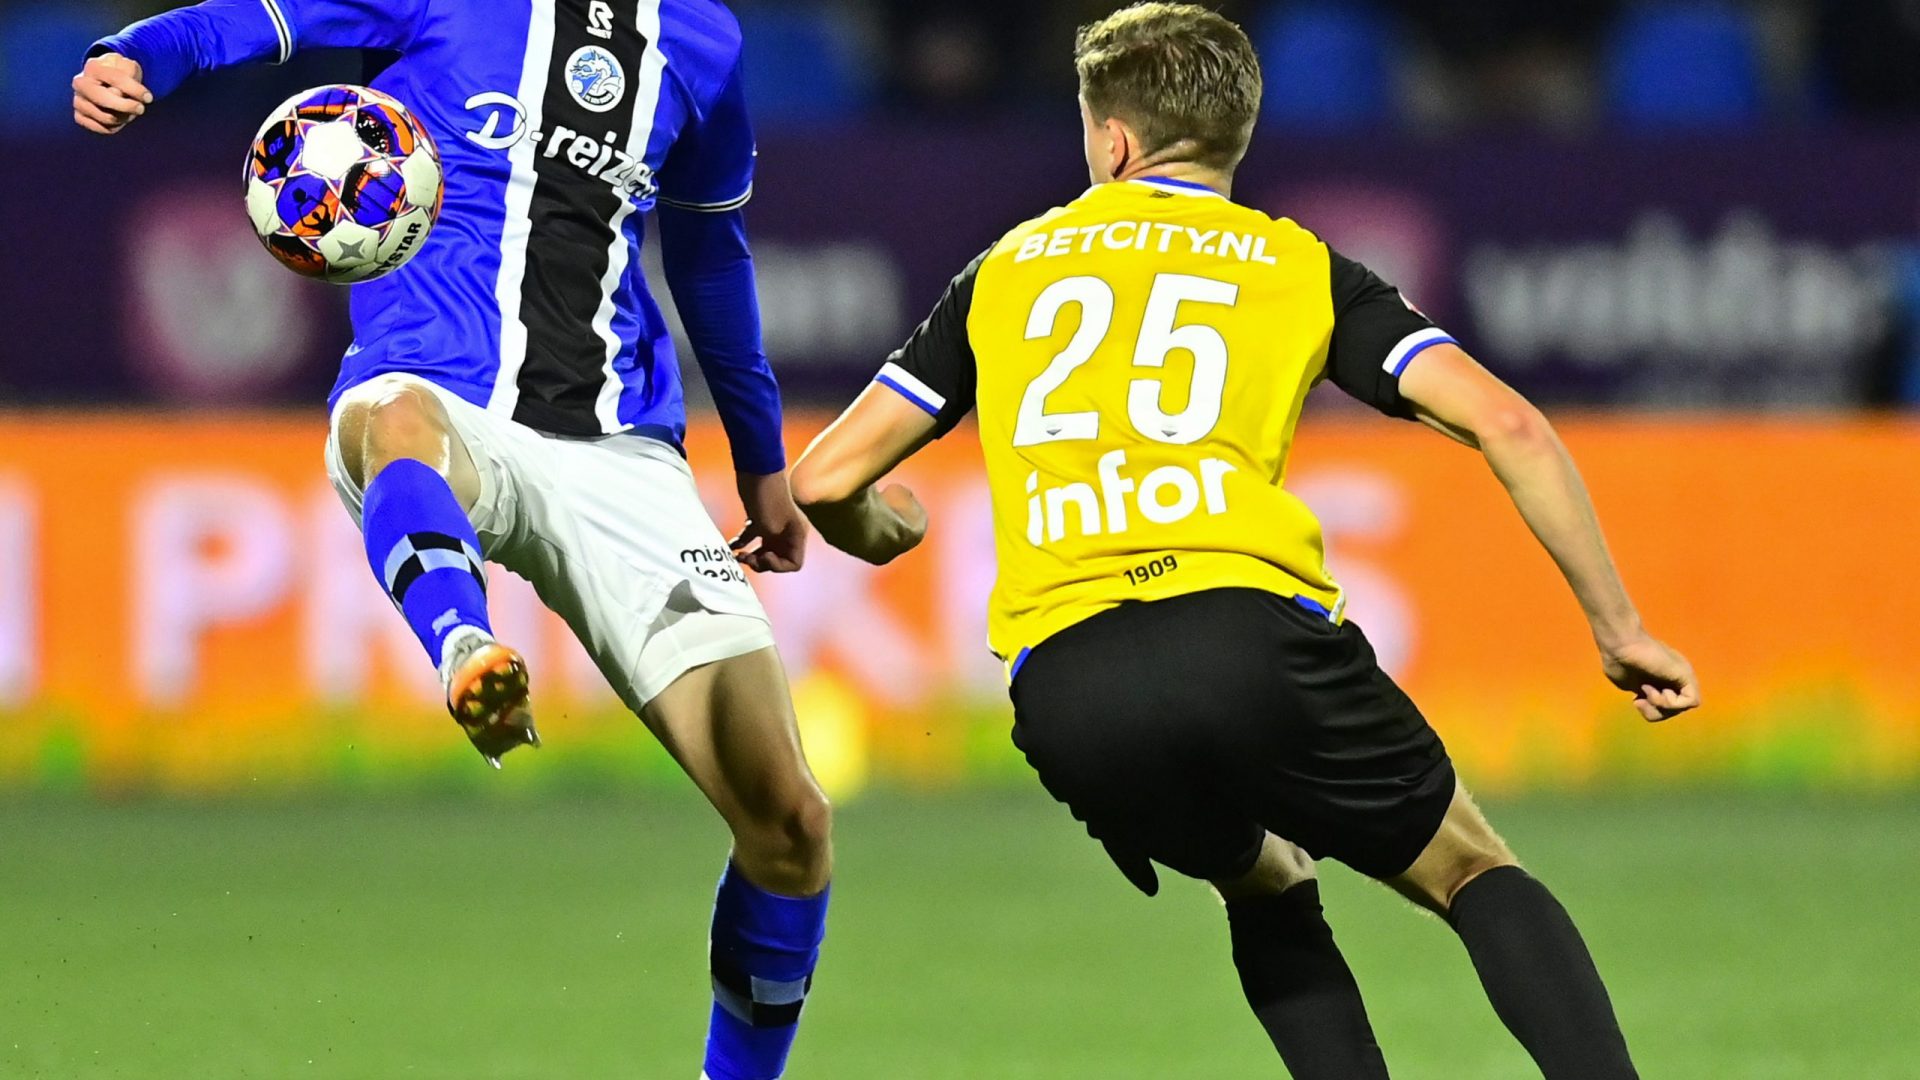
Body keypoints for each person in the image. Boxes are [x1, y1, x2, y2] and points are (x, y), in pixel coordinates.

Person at [789, 4, 1699, 1077]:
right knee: (1469, 869)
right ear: (1233, 135)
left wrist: (885, 532)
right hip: (1247, 635)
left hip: (1067, 685)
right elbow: (1509, 425)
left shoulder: (1008, 268)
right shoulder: (1295, 265)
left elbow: (825, 478)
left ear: (1113, 140)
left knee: (1267, 877)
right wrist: (1619, 627)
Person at [73, 3, 830, 1077]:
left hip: (621, 453)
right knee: (395, 427)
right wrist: (132, 57)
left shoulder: (704, 41)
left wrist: (763, 465)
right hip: (442, 391)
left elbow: (711, 256)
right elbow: (249, 22)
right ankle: (465, 644)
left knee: (790, 823)